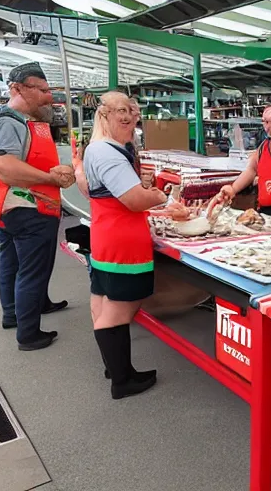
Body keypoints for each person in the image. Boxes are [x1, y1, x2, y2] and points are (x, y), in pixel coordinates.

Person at [0, 62, 75, 351]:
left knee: (12, 263)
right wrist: (50, 178)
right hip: (29, 208)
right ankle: (29, 334)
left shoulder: (23, 121)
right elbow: (6, 168)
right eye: (42, 90)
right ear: (18, 89)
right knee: (32, 269)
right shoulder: (9, 122)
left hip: (12, 208)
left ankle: (16, 314)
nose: (49, 98)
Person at [82, 91, 167, 400]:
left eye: (132, 110)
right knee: (118, 310)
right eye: (121, 111)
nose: (130, 116)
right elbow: (133, 200)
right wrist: (159, 196)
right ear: (104, 115)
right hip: (123, 243)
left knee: (102, 302)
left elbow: (87, 185)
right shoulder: (107, 152)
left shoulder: (98, 148)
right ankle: (122, 380)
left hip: (107, 237)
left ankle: (116, 366)